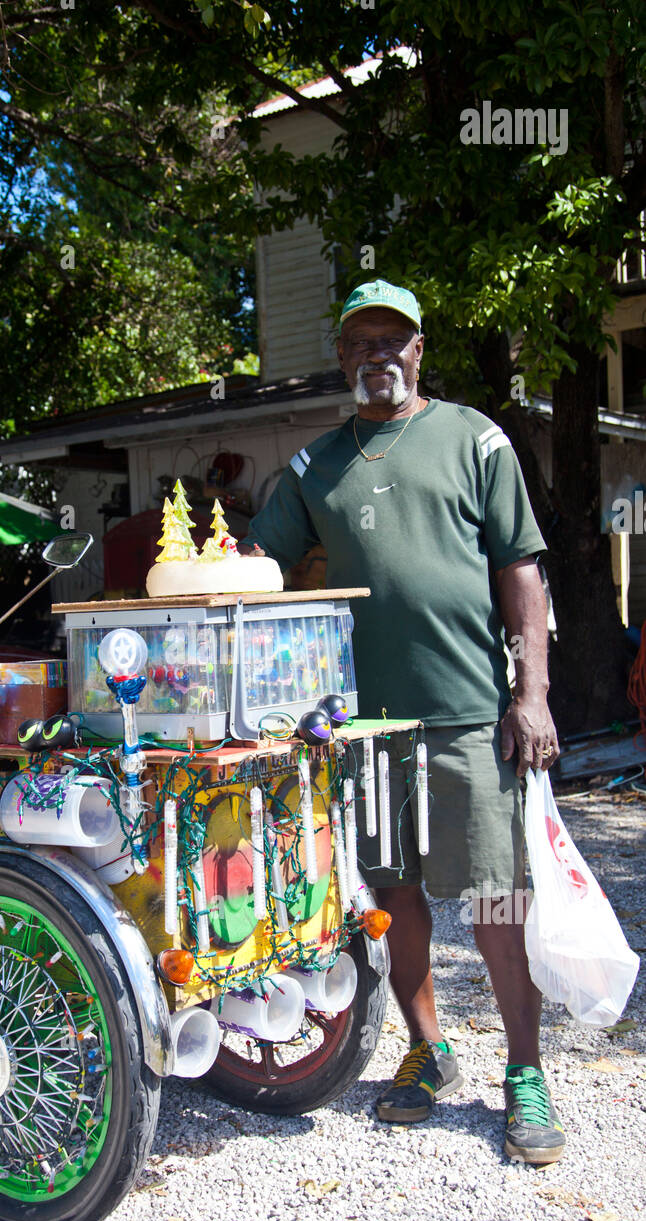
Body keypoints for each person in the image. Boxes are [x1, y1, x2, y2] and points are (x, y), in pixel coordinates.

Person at [246, 278, 565, 1165]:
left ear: (420, 349)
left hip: (470, 714)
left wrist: (531, 693)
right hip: (368, 730)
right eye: (359, 342)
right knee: (394, 898)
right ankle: (428, 1054)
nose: (375, 355)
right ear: (342, 355)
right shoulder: (316, 467)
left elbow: (523, 572)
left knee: (500, 901)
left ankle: (527, 1073)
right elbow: (258, 562)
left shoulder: (475, 438)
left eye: (393, 340)